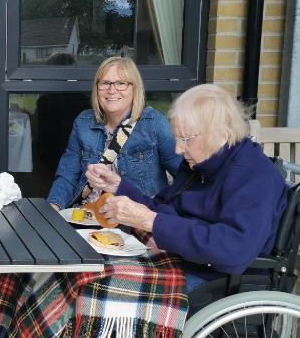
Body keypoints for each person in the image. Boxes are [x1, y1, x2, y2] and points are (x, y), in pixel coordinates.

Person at [87, 83, 289, 291]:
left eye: (185, 139)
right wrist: (120, 187)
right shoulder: (201, 164)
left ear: (221, 134)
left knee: (102, 286)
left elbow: (234, 249)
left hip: (218, 282)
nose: (177, 148)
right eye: (177, 138)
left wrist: (149, 220)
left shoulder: (254, 175)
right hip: (182, 262)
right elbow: (160, 210)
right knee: (90, 271)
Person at [47, 56, 182, 211]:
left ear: (134, 88)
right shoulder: (83, 122)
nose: (112, 90)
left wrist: (164, 212)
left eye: (121, 83)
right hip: (86, 217)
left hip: (135, 222)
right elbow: (67, 177)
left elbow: (184, 178)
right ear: (97, 88)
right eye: (105, 83)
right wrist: (53, 207)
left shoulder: (153, 123)